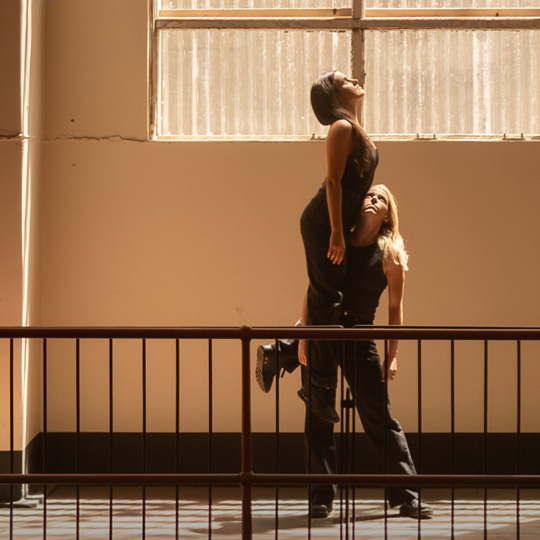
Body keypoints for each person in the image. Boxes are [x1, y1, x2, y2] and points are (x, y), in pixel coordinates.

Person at [256, 184, 433, 520]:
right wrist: (306, 337)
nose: (374, 199)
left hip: (359, 336)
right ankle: (320, 498)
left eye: (382, 198)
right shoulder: (338, 242)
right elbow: (314, 292)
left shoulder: (390, 255)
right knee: (319, 417)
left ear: (387, 215)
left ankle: (407, 496)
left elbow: (396, 310)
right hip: (322, 332)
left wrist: (392, 355)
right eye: (369, 194)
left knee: (380, 418)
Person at [299, 71, 379, 424]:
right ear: (333, 94)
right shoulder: (340, 128)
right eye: (345, 79)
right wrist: (335, 232)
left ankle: (282, 354)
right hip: (322, 223)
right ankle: (317, 389)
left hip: (334, 224)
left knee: (329, 299)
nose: (355, 80)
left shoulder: (354, 129)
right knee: (327, 300)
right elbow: (332, 181)